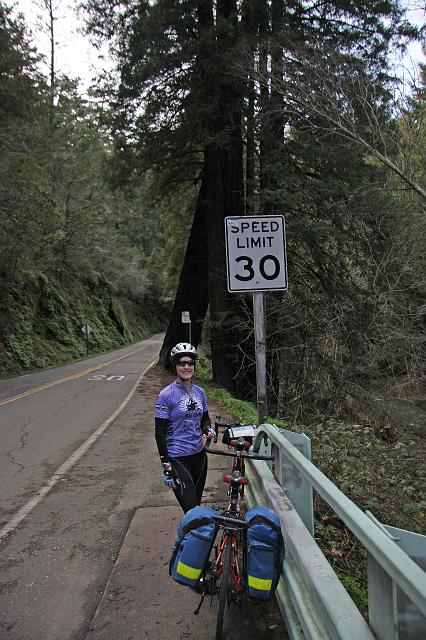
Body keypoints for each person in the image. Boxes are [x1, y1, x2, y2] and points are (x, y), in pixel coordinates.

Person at [154, 342, 215, 513]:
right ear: (175, 366)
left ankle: (190, 538)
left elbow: (205, 419)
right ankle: (191, 537)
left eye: (190, 363)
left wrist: (207, 429)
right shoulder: (166, 395)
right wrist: (166, 467)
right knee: (193, 511)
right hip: (177, 457)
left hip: (199, 456)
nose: (186, 366)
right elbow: (160, 433)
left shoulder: (200, 393)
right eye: (182, 363)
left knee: (196, 508)